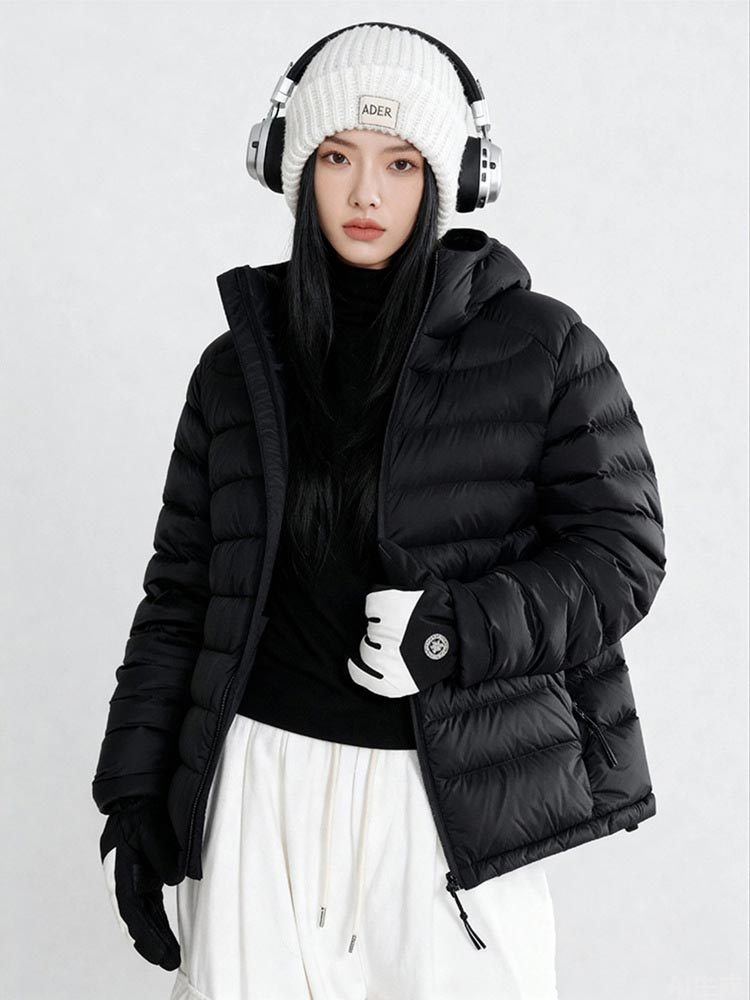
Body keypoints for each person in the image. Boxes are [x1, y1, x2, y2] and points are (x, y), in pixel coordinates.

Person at [92, 21, 667, 1000]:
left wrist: (447, 633)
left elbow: (621, 557)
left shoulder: (542, 349)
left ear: (450, 178)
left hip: (441, 811)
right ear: (292, 169)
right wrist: (138, 795)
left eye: (400, 163)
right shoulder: (236, 371)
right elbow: (182, 592)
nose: (366, 193)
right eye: (337, 157)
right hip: (257, 793)